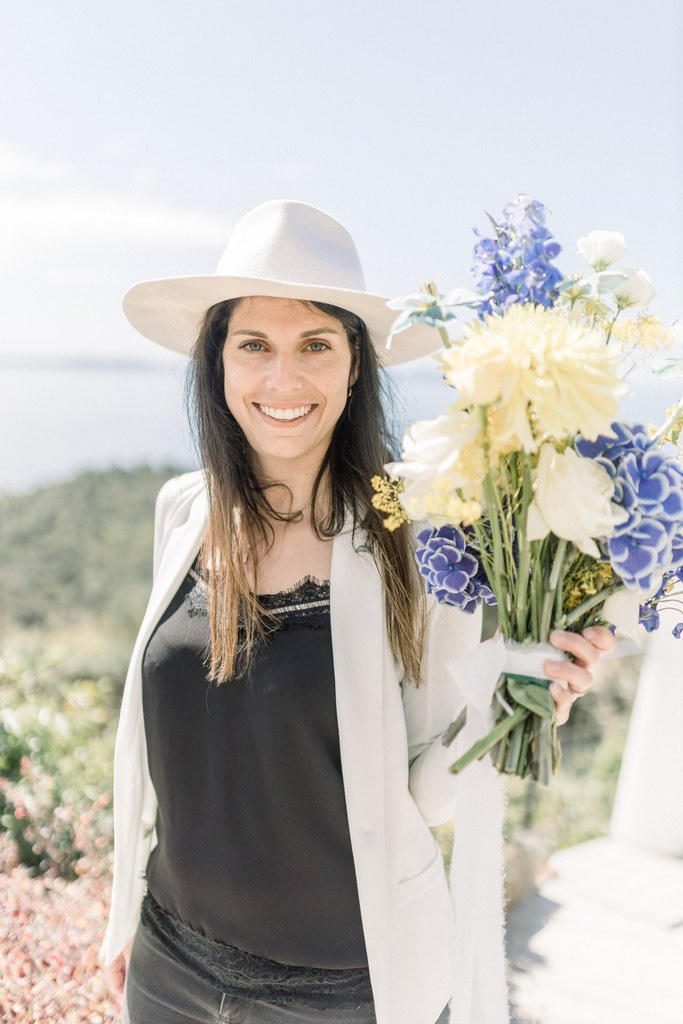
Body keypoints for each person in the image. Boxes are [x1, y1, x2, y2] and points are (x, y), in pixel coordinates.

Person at [101, 200, 613, 1024]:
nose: (282, 379)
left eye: (314, 346)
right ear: (216, 364)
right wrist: (125, 920)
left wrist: (521, 695)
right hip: (168, 971)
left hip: (341, 993)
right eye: (253, 347)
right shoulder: (180, 510)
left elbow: (429, 789)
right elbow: (170, 760)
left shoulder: (418, 541)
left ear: (353, 366)